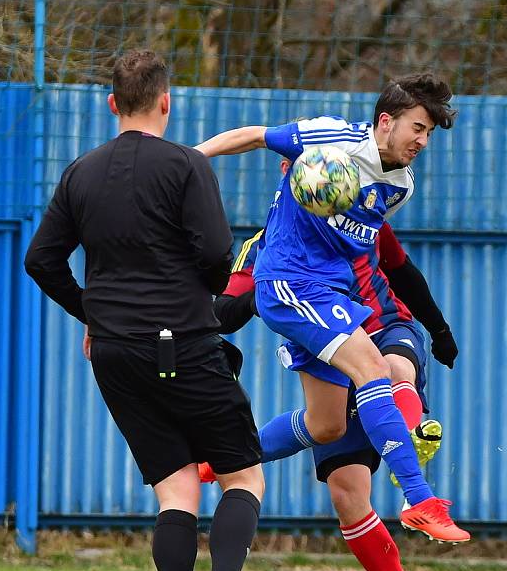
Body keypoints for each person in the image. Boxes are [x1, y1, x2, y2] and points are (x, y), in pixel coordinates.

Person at [25, 49, 293, 571]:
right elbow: (216, 252)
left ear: (113, 103)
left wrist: (94, 313)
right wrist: (197, 297)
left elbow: (41, 260)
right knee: (243, 473)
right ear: (166, 102)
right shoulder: (185, 165)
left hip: (114, 353)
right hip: (183, 343)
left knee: (175, 490)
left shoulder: (80, 173)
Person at [196, 75, 470, 543]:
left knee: (326, 426)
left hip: (330, 294)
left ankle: (222, 457)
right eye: (418, 128)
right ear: (386, 122)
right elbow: (255, 135)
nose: (423, 141)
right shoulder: (331, 136)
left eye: (429, 133)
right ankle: (420, 500)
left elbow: (381, 258)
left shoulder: (400, 185)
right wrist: (188, 159)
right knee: (374, 371)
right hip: (288, 282)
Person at [210, 198, 457, 571]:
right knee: (345, 488)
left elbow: (404, 274)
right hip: (329, 359)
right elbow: (222, 313)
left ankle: (412, 456)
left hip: (385, 330)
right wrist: (269, 286)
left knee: (391, 368)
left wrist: (439, 331)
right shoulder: (261, 248)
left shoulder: (361, 220)